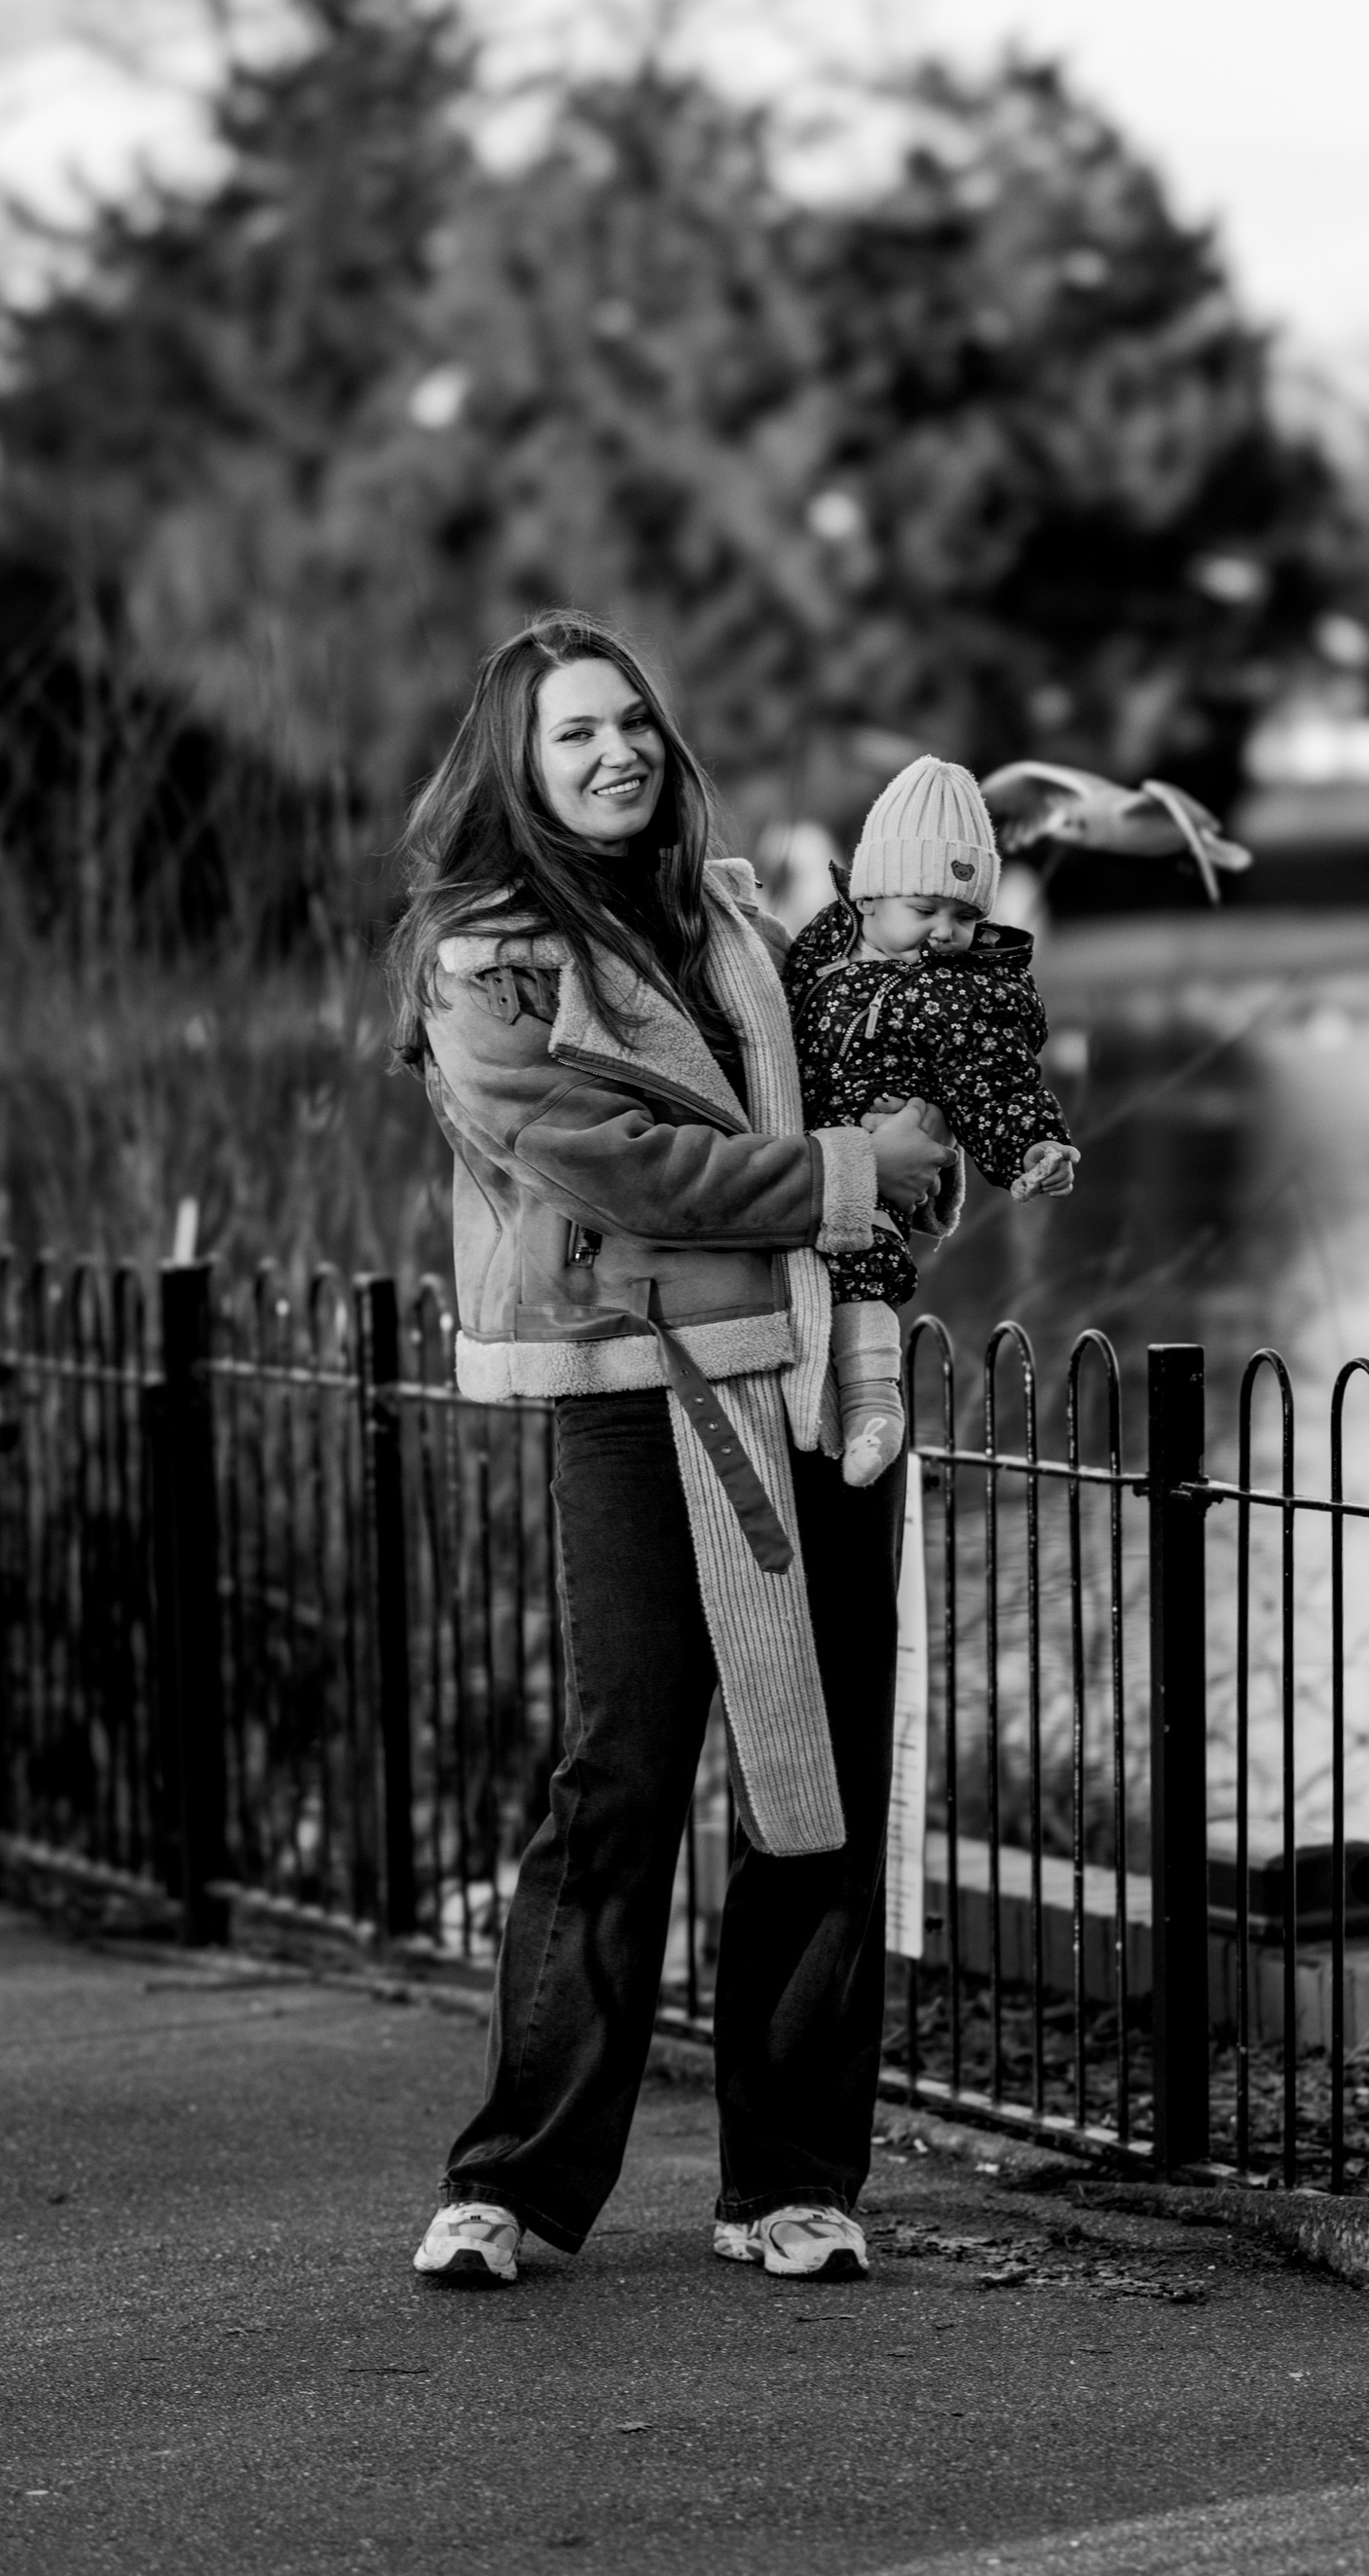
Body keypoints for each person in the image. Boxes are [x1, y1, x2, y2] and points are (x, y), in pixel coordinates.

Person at [388, 611, 952, 2290]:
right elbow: (614, 1159)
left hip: (796, 1372)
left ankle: (792, 2179)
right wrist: (851, 1173)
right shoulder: (484, 960)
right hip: (635, 1385)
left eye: (632, 722)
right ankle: (514, 2177)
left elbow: (887, 1121)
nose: (617, 751)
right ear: (519, 765)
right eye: (575, 734)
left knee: (818, 1781)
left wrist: (922, 1154)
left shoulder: (739, 926)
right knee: (623, 1772)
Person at [784, 754, 1078, 1488]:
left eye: (966, 914)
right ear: (868, 896)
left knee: (861, 1270)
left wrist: (1031, 1146)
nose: (946, 931)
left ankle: (875, 1411)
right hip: (810, 1154)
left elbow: (997, 1079)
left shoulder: (962, 997)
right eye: (926, 909)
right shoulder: (821, 950)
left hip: (878, 1168)